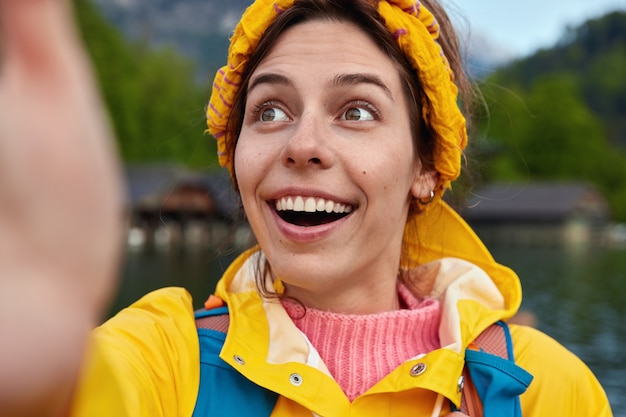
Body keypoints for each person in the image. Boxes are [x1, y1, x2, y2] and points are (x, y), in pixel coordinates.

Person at [0, 0, 613, 416]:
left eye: (357, 111)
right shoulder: (165, 360)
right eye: (269, 111)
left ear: (426, 167)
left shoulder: (543, 390)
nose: (302, 145)